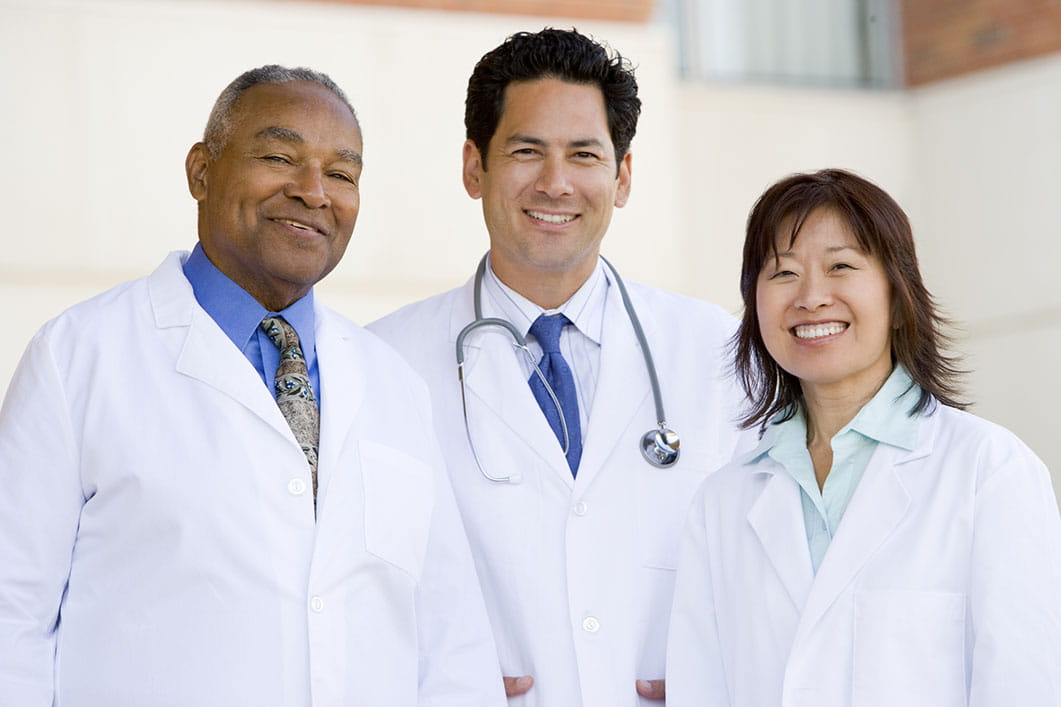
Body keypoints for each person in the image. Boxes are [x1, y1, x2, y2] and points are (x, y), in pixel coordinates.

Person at [0, 65, 506, 707]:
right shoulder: (77, 358)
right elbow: (10, 616)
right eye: (278, 156)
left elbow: (450, 639)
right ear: (201, 171)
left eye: (342, 175)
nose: (313, 192)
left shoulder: (391, 383)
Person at [368, 29, 746, 706]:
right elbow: (356, 589)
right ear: (473, 167)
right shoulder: (382, 364)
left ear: (621, 177)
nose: (555, 183)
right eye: (525, 151)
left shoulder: (716, 350)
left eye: (583, 154)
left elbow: (768, 564)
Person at [666, 168, 1061, 706]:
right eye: (782, 273)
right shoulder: (724, 500)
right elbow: (701, 691)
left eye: (840, 267)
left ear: (898, 298)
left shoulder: (988, 471)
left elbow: (1022, 688)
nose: (810, 297)